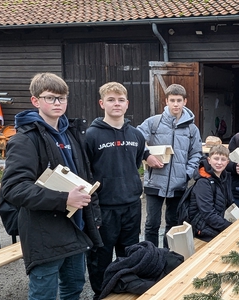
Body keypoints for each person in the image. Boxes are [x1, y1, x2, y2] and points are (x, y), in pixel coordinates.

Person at [0, 73, 103, 299]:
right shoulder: (24, 139)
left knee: (73, 288)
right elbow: (13, 188)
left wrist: (93, 217)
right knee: (44, 295)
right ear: (35, 101)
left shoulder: (72, 135)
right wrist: (64, 199)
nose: (58, 103)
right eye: (50, 98)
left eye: (62, 98)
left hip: (76, 229)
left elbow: (84, 177)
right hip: (44, 233)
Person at [85, 82, 146, 299]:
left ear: (127, 104)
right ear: (102, 103)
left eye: (120, 100)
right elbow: (87, 173)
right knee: (100, 256)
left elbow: (136, 163)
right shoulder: (91, 136)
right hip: (104, 208)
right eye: (111, 100)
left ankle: (124, 289)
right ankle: (101, 293)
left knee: (129, 254)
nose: (116, 104)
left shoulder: (137, 135)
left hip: (131, 204)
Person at [137, 83, 202, 248]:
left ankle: (167, 255)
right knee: (152, 223)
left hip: (178, 184)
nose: (176, 104)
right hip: (154, 181)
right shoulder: (154, 123)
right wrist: (147, 155)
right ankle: (150, 254)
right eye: (172, 100)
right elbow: (135, 139)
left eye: (179, 100)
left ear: (185, 102)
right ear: (166, 101)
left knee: (173, 222)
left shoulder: (192, 129)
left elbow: (196, 153)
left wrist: (186, 173)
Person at [189, 144, 234, 241]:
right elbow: (208, 214)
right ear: (209, 160)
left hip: (217, 222)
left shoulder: (224, 178)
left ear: (227, 162)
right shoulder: (203, 183)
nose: (219, 163)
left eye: (223, 160)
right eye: (216, 159)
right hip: (203, 227)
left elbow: (229, 203)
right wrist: (230, 226)